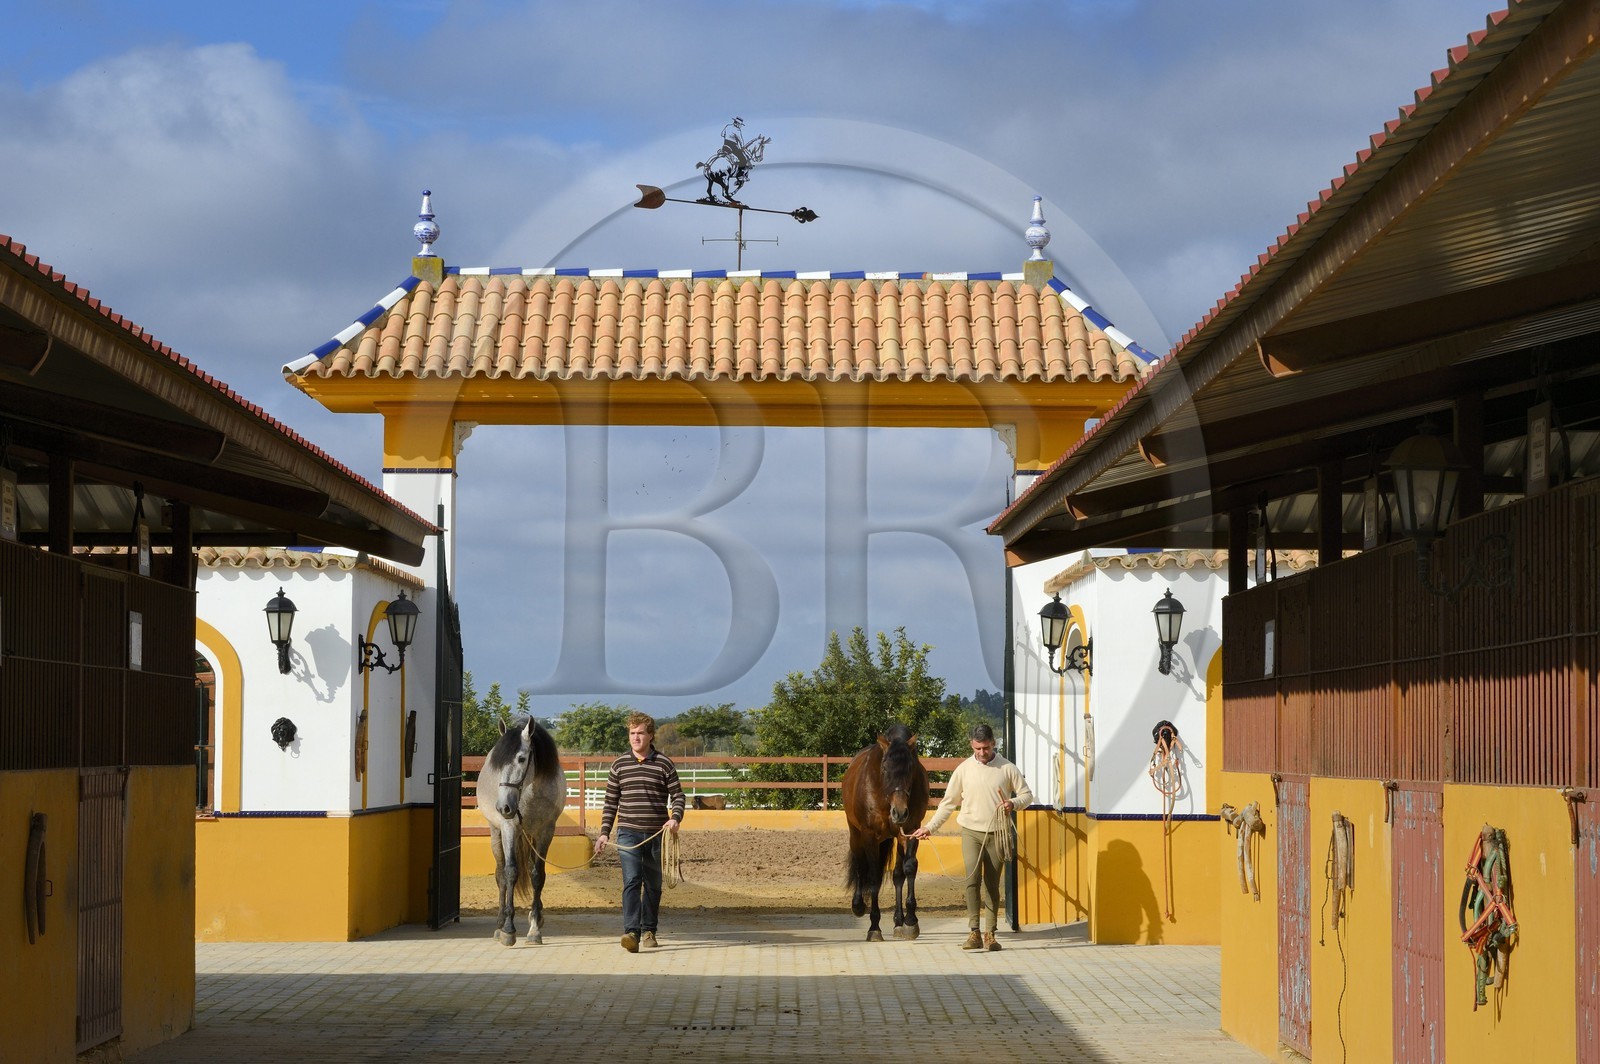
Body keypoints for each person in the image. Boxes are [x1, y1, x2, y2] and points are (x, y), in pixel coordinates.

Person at [911, 722, 1034, 952]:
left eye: (986, 748)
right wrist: (929, 828)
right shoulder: (963, 769)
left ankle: (991, 934)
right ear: (971, 745)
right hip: (970, 832)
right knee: (971, 880)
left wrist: (1012, 803)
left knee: (992, 884)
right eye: (978, 748)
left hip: (998, 832)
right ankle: (974, 931)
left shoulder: (1007, 768)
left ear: (993, 744)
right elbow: (948, 803)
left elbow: (1027, 795)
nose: (982, 752)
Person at [594, 712, 685, 953]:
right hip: (628, 833)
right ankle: (631, 932)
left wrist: (675, 818)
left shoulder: (664, 764)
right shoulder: (619, 765)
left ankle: (649, 930)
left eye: (640, 733)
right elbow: (610, 803)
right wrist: (604, 833)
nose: (635, 737)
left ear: (650, 735)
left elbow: (678, 796)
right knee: (632, 880)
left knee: (653, 885)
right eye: (632, 733)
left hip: (656, 834)